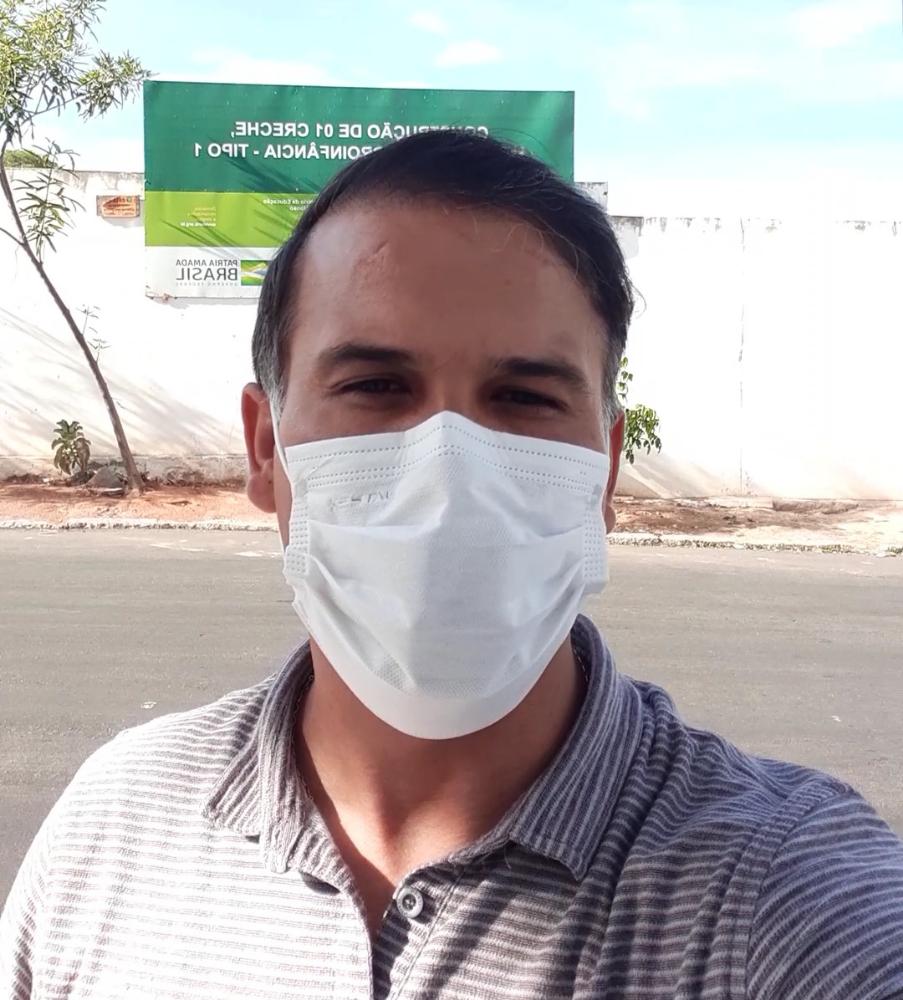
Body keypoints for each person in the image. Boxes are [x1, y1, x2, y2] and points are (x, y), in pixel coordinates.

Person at [2, 131, 902, 1000]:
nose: (447, 472)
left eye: (523, 397)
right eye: (375, 386)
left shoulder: (787, 891)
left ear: (603, 471)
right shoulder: (119, 821)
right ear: (266, 448)